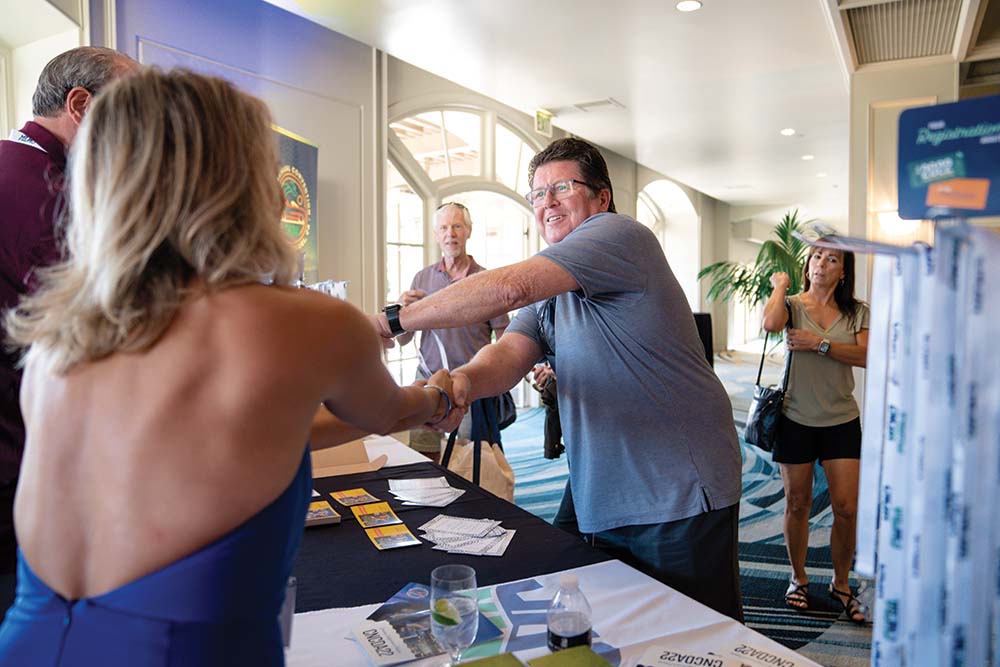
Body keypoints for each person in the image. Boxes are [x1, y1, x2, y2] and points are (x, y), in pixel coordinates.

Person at [0, 68, 457, 666]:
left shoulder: (57, 334)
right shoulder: (308, 321)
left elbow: (248, 436)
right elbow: (387, 412)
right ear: (243, 179)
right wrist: (437, 397)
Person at [376, 137, 744, 621]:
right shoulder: (555, 287)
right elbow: (509, 353)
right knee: (582, 614)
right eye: (537, 193)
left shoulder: (620, 235)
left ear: (602, 197)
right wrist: (461, 382)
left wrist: (392, 321)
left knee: (699, 637)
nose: (546, 201)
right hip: (599, 484)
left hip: (675, 487)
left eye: (562, 188)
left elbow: (511, 288)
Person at [0, 46, 139, 619]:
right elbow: (91, 337)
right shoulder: (41, 195)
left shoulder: (22, 169)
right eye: (131, 114)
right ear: (80, 105)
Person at [762, 248, 869, 624]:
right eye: (816, 257)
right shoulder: (792, 304)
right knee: (798, 503)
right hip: (795, 418)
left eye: (832, 259)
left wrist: (819, 344)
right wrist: (780, 285)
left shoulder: (857, 312)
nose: (822, 264)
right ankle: (798, 578)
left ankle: (841, 583)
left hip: (841, 419)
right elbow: (771, 323)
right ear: (807, 265)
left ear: (844, 271)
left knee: (847, 508)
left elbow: (866, 356)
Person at [393, 202, 509, 460]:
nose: (450, 234)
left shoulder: (487, 280)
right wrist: (400, 312)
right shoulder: (421, 279)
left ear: (468, 231)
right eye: (444, 228)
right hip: (426, 380)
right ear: (436, 235)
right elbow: (403, 340)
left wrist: (499, 377)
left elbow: (505, 337)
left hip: (468, 384)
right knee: (424, 454)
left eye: (457, 226)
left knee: (469, 459)